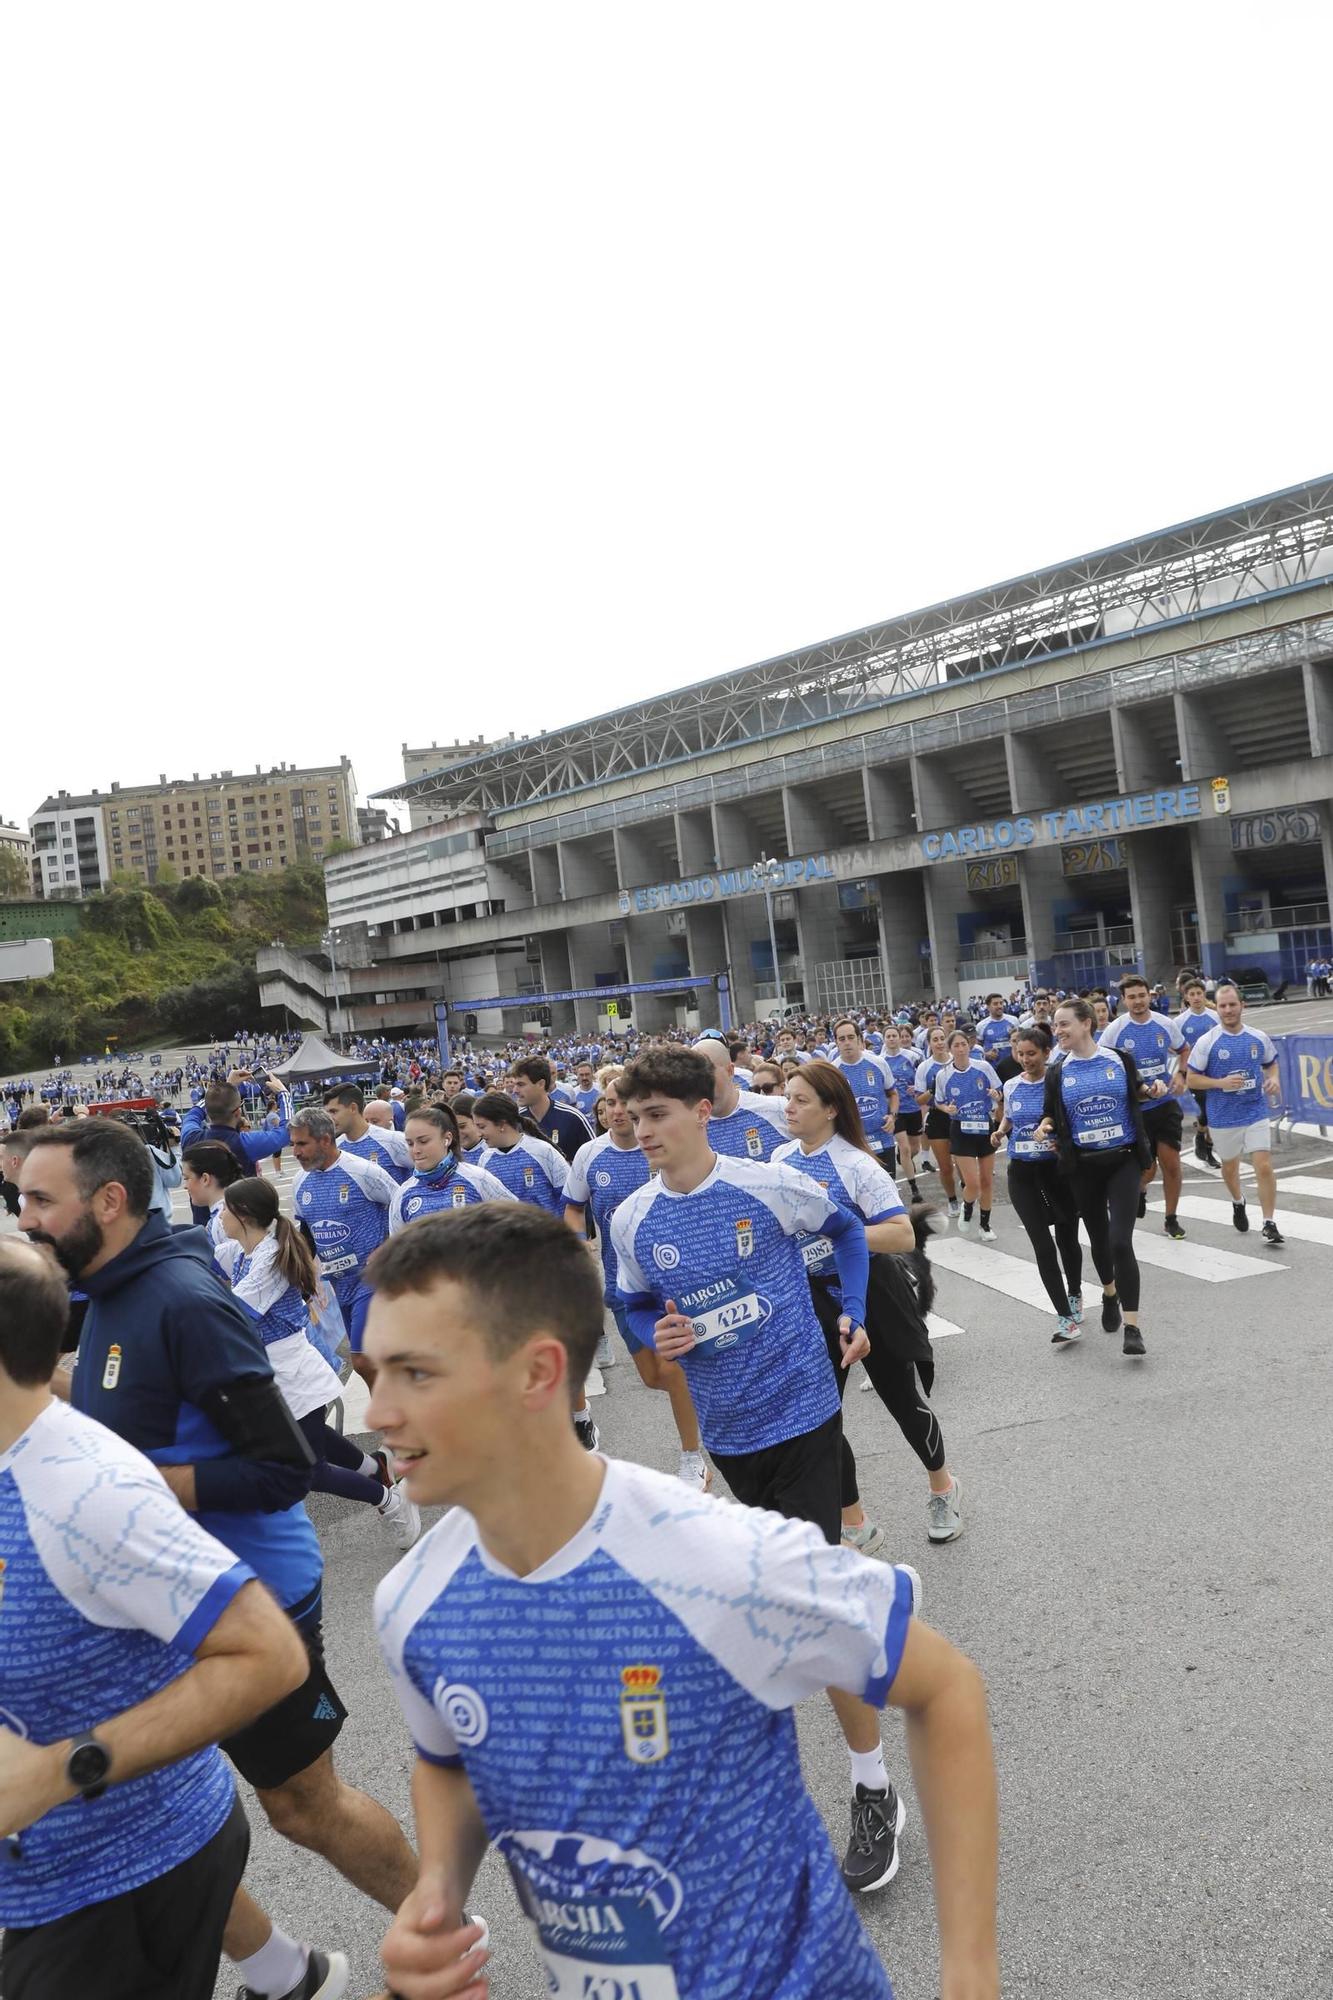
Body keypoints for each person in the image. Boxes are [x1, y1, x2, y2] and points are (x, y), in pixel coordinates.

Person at [366, 1205, 999, 2000]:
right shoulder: (413, 1602)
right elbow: (449, 1761)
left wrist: (969, 1972)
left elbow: (943, 1686)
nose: (377, 1413)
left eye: (415, 1373)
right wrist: (436, 1894)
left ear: (536, 1373)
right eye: (374, 1373)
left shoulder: (715, 1558)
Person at [18, 1119, 413, 2000]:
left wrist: (122, 1483)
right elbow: (124, 1402)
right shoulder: (106, 1286)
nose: (25, 1216)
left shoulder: (183, 1301)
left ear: (108, 1202)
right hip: (158, 1601)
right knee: (143, 1811)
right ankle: (287, 1974)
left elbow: (281, 1469)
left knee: (304, 1806)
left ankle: (445, 1935)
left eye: (40, 1199)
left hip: (253, 1603)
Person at [612, 1049, 920, 1895]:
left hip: (804, 1411)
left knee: (802, 1609)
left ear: (699, 1112)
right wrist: (654, 1334)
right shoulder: (633, 1218)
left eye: (656, 1115)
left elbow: (847, 1231)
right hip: (731, 1434)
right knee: (793, 1592)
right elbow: (631, 1299)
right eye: (633, 1118)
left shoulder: (768, 1184)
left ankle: (872, 1788)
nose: (642, 1132)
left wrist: (850, 1311)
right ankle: (869, 1587)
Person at [0, 1237, 310, 2000]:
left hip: (120, 1880)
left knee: (309, 1802)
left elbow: (268, 1656)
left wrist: (63, 1768)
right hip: (40, 1881)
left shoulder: (88, 1492)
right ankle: (288, 1975)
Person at [776, 1061, 962, 1547]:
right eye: (787, 1097)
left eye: (800, 1100)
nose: (788, 1107)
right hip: (813, 1301)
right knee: (821, 1419)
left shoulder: (857, 1164)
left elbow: (902, 1235)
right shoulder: (780, 1160)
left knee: (903, 1403)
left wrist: (841, 1235)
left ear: (831, 1110)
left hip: (873, 1294)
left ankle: (943, 1488)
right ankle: (856, 1521)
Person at [216, 1175, 421, 1548]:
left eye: (224, 1211)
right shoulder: (247, 1252)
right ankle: (376, 1470)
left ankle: (389, 1501)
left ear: (243, 1215)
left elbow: (237, 1311)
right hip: (272, 1374)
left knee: (309, 1470)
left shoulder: (270, 1258)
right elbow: (202, 1259)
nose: (219, 1219)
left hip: (292, 1372)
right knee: (314, 1438)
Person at [562, 1072, 710, 1490]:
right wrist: (579, 1243)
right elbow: (573, 1207)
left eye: (622, 1103)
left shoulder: (661, 1148)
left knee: (673, 1369)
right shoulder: (590, 1155)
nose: (616, 1111)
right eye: (608, 1103)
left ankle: (693, 1458)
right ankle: (703, 1405)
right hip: (623, 1286)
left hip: (673, 1282)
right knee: (653, 1377)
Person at [1038, 999, 1151, 1358]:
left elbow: (1138, 1090)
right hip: (1083, 1167)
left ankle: (1132, 1327)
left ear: (1086, 1023)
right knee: (1100, 1241)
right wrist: (1045, 1127)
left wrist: (1153, 1090)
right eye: (1055, 1025)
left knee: (1120, 1242)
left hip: (1123, 1159)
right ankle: (1109, 1292)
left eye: (1064, 1024)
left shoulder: (1119, 1060)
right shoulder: (1058, 1071)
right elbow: (1050, 1113)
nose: (1057, 1031)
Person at [290, 1105, 399, 1389]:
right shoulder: (300, 1182)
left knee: (361, 1359)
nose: (295, 1152)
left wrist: (388, 1247)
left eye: (302, 1144)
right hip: (340, 1283)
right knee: (374, 1361)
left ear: (325, 1140)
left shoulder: (363, 1172)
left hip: (373, 1279)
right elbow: (307, 1234)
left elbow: (401, 1205)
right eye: (293, 1144)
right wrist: (301, 1276)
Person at [991, 1027, 1084, 1344]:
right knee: (1043, 1246)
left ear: (1046, 1052)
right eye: (1021, 1053)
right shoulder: (1011, 1085)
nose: (1025, 1059)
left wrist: (1060, 1142)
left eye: (1032, 1053)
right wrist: (1000, 1131)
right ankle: (1065, 1319)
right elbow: (1010, 1117)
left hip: (1056, 1171)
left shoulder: (1057, 1082)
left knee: (1067, 1239)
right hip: (1022, 1173)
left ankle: (1075, 1293)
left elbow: (1069, 1120)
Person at [1185, 982, 1284, 1245]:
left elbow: (1271, 1064)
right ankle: (1238, 1201)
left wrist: (1274, 1079)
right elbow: (1192, 1079)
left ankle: (1269, 1222)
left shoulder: (1257, 1037)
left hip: (1255, 1110)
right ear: (1216, 1008)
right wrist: (1220, 1083)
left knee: (1264, 1165)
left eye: (1232, 1005)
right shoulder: (1207, 1042)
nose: (1228, 1010)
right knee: (1230, 1167)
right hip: (1222, 1116)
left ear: (1242, 1005)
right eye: (1223, 1006)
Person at [1099, 974, 1188, 1239]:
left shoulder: (1165, 1023)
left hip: (1165, 1104)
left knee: (1171, 1164)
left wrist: (1181, 1075)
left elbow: (1184, 1049)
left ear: (1149, 995)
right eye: (1132, 997)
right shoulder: (1115, 1030)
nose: (1137, 1001)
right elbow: (1101, 1061)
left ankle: (1171, 1219)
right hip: (1135, 1109)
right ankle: (1138, 1189)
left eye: (1141, 995)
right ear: (1123, 1000)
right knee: (1148, 1169)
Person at [178, 1077, 291, 1222]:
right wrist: (283, 1094)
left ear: (208, 1111)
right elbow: (286, 1132)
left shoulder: (190, 1138)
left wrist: (223, 1089)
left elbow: (192, 1114)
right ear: (238, 1112)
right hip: (242, 1226)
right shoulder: (246, 1143)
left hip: (203, 1228)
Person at [388, 1104, 514, 1229]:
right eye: (410, 1143)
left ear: (447, 1139)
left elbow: (516, 1221)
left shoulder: (478, 1179)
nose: (416, 1150)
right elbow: (398, 1240)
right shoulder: (404, 1193)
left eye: (423, 1141)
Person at [934, 1030, 1002, 1240]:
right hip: (961, 1129)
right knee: (972, 1183)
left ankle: (985, 1225)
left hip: (984, 1126)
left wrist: (995, 1095)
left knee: (987, 1181)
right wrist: (947, 1109)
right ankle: (968, 1205)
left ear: (969, 1045)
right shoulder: (943, 1074)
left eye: (964, 1044)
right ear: (950, 1049)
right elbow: (939, 1102)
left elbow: (999, 1092)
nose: (961, 1049)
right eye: (956, 1045)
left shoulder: (983, 1067)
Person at [691, 1034, 789, 1160]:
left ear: (730, 1071)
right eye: (693, 1074)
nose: (698, 1080)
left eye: (706, 1071)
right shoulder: (687, 1127)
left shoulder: (778, 1108)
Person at [471, 1093, 569, 1213]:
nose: (478, 1134)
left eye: (482, 1127)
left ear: (501, 1124)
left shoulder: (542, 1151)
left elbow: (569, 1195)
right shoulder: (485, 1159)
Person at [830, 1016, 898, 1163]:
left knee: (887, 1178)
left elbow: (893, 1094)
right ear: (836, 1042)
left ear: (859, 1039)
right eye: (842, 1039)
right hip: (852, 1141)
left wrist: (892, 1116)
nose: (847, 1042)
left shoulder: (878, 1063)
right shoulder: (833, 1072)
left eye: (850, 1037)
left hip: (883, 1137)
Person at [507, 1056, 595, 1164]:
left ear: (541, 1084)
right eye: (514, 1085)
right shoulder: (514, 1122)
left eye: (521, 1084)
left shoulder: (573, 1118)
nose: (515, 1090)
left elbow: (595, 1157)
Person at [323, 1084, 413, 1184]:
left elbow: (424, 1172)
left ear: (353, 1108)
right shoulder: (335, 1148)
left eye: (333, 1111)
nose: (329, 1118)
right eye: (327, 1113)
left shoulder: (393, 1140)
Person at [1175, 977, 1220, 1165]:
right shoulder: (1180, 1021)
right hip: (1194, 1075)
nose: (1196, 997)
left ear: (1204, 995)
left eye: (1199, 993)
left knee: (1215, 1113)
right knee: (1205, 1114)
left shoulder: (1216, 1017)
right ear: (1186, 997)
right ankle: (1201, 1135)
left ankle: (1207, 1147)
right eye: (1192, 994)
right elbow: (1173, 1046)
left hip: (1215, 1072)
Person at [915, 1026, 959, 1218]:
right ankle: (952, 1200)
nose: (940, 1043)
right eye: (935, 1039)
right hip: (937, 1117)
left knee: (962, 1161)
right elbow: (919, 1100)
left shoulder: (957, 1060)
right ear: (929, 1043)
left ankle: (966, 1188)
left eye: (942, 1038)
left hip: (958, 1115)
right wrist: (932, 1090)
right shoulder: (924, 1067)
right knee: (946, 1166)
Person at [180, 1139, 246, 1250]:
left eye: (187, 1178)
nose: (185, 1186)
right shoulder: (230, 1210)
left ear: (205, 1179)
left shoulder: (223, 1221)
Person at [976, 993, 1020, 1060]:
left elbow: (1021, 1041)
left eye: (1001, 1003)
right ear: (988, 1007)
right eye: (995, 1004)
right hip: (992, 1064)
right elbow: (977, 1048)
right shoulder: (981, 1025)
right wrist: (986, 1054)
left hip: (1012, 1063)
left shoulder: (1014, 1020)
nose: (999, 1006)